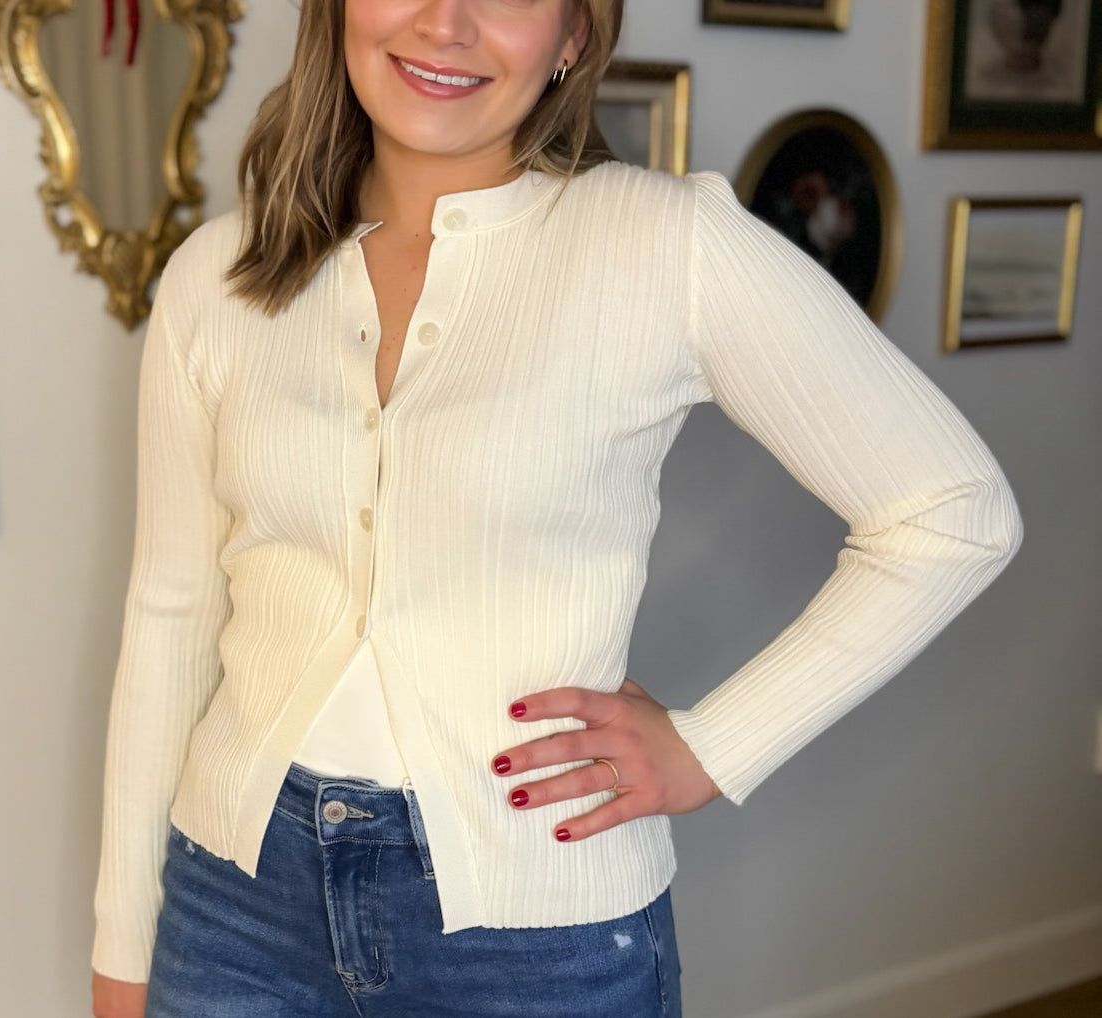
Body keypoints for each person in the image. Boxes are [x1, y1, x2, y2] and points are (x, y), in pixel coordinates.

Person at [90, 2, 1022, 1016]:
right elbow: (171, 615)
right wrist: (123, 943)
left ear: (576, 35)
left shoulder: (664, 243)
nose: (445, 24)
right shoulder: (218, 275)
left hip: (539, 936)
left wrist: (714, 745)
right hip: (233, 906)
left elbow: (954, 510)